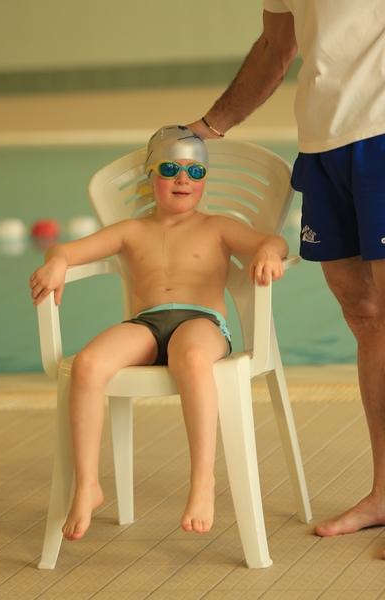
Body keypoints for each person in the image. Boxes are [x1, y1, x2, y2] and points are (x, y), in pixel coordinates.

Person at [29, 125, 288, 541]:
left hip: (202, 323)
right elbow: (68, 249)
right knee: (88, 364)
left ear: (204, 179)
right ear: (150, 177)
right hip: (146, 325)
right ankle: (88, 484)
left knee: (191, 356)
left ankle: (202, 481)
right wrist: (57, 262)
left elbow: (272, 242)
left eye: (194, 171)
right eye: (170, 169)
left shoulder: (218, 227)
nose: (183, 179)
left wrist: (269, 255)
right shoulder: (131, 230)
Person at [187, 1, 385, 540]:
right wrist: (208, 126)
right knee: (365, 315)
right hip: (323, 143)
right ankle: (383, 492)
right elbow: (278, 45)